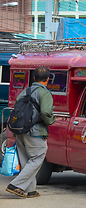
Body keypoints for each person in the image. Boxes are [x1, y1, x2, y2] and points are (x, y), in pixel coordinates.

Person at [6, 67, 55, 199]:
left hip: (20, 130)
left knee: (26, 160)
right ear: (48, 79)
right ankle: (16, 185)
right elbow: (45, 112)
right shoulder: (44, 93)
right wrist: (51, 120)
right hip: (36, 131)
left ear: (34, 78)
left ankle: (30, 190)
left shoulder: (24, 92)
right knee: (37, 158)